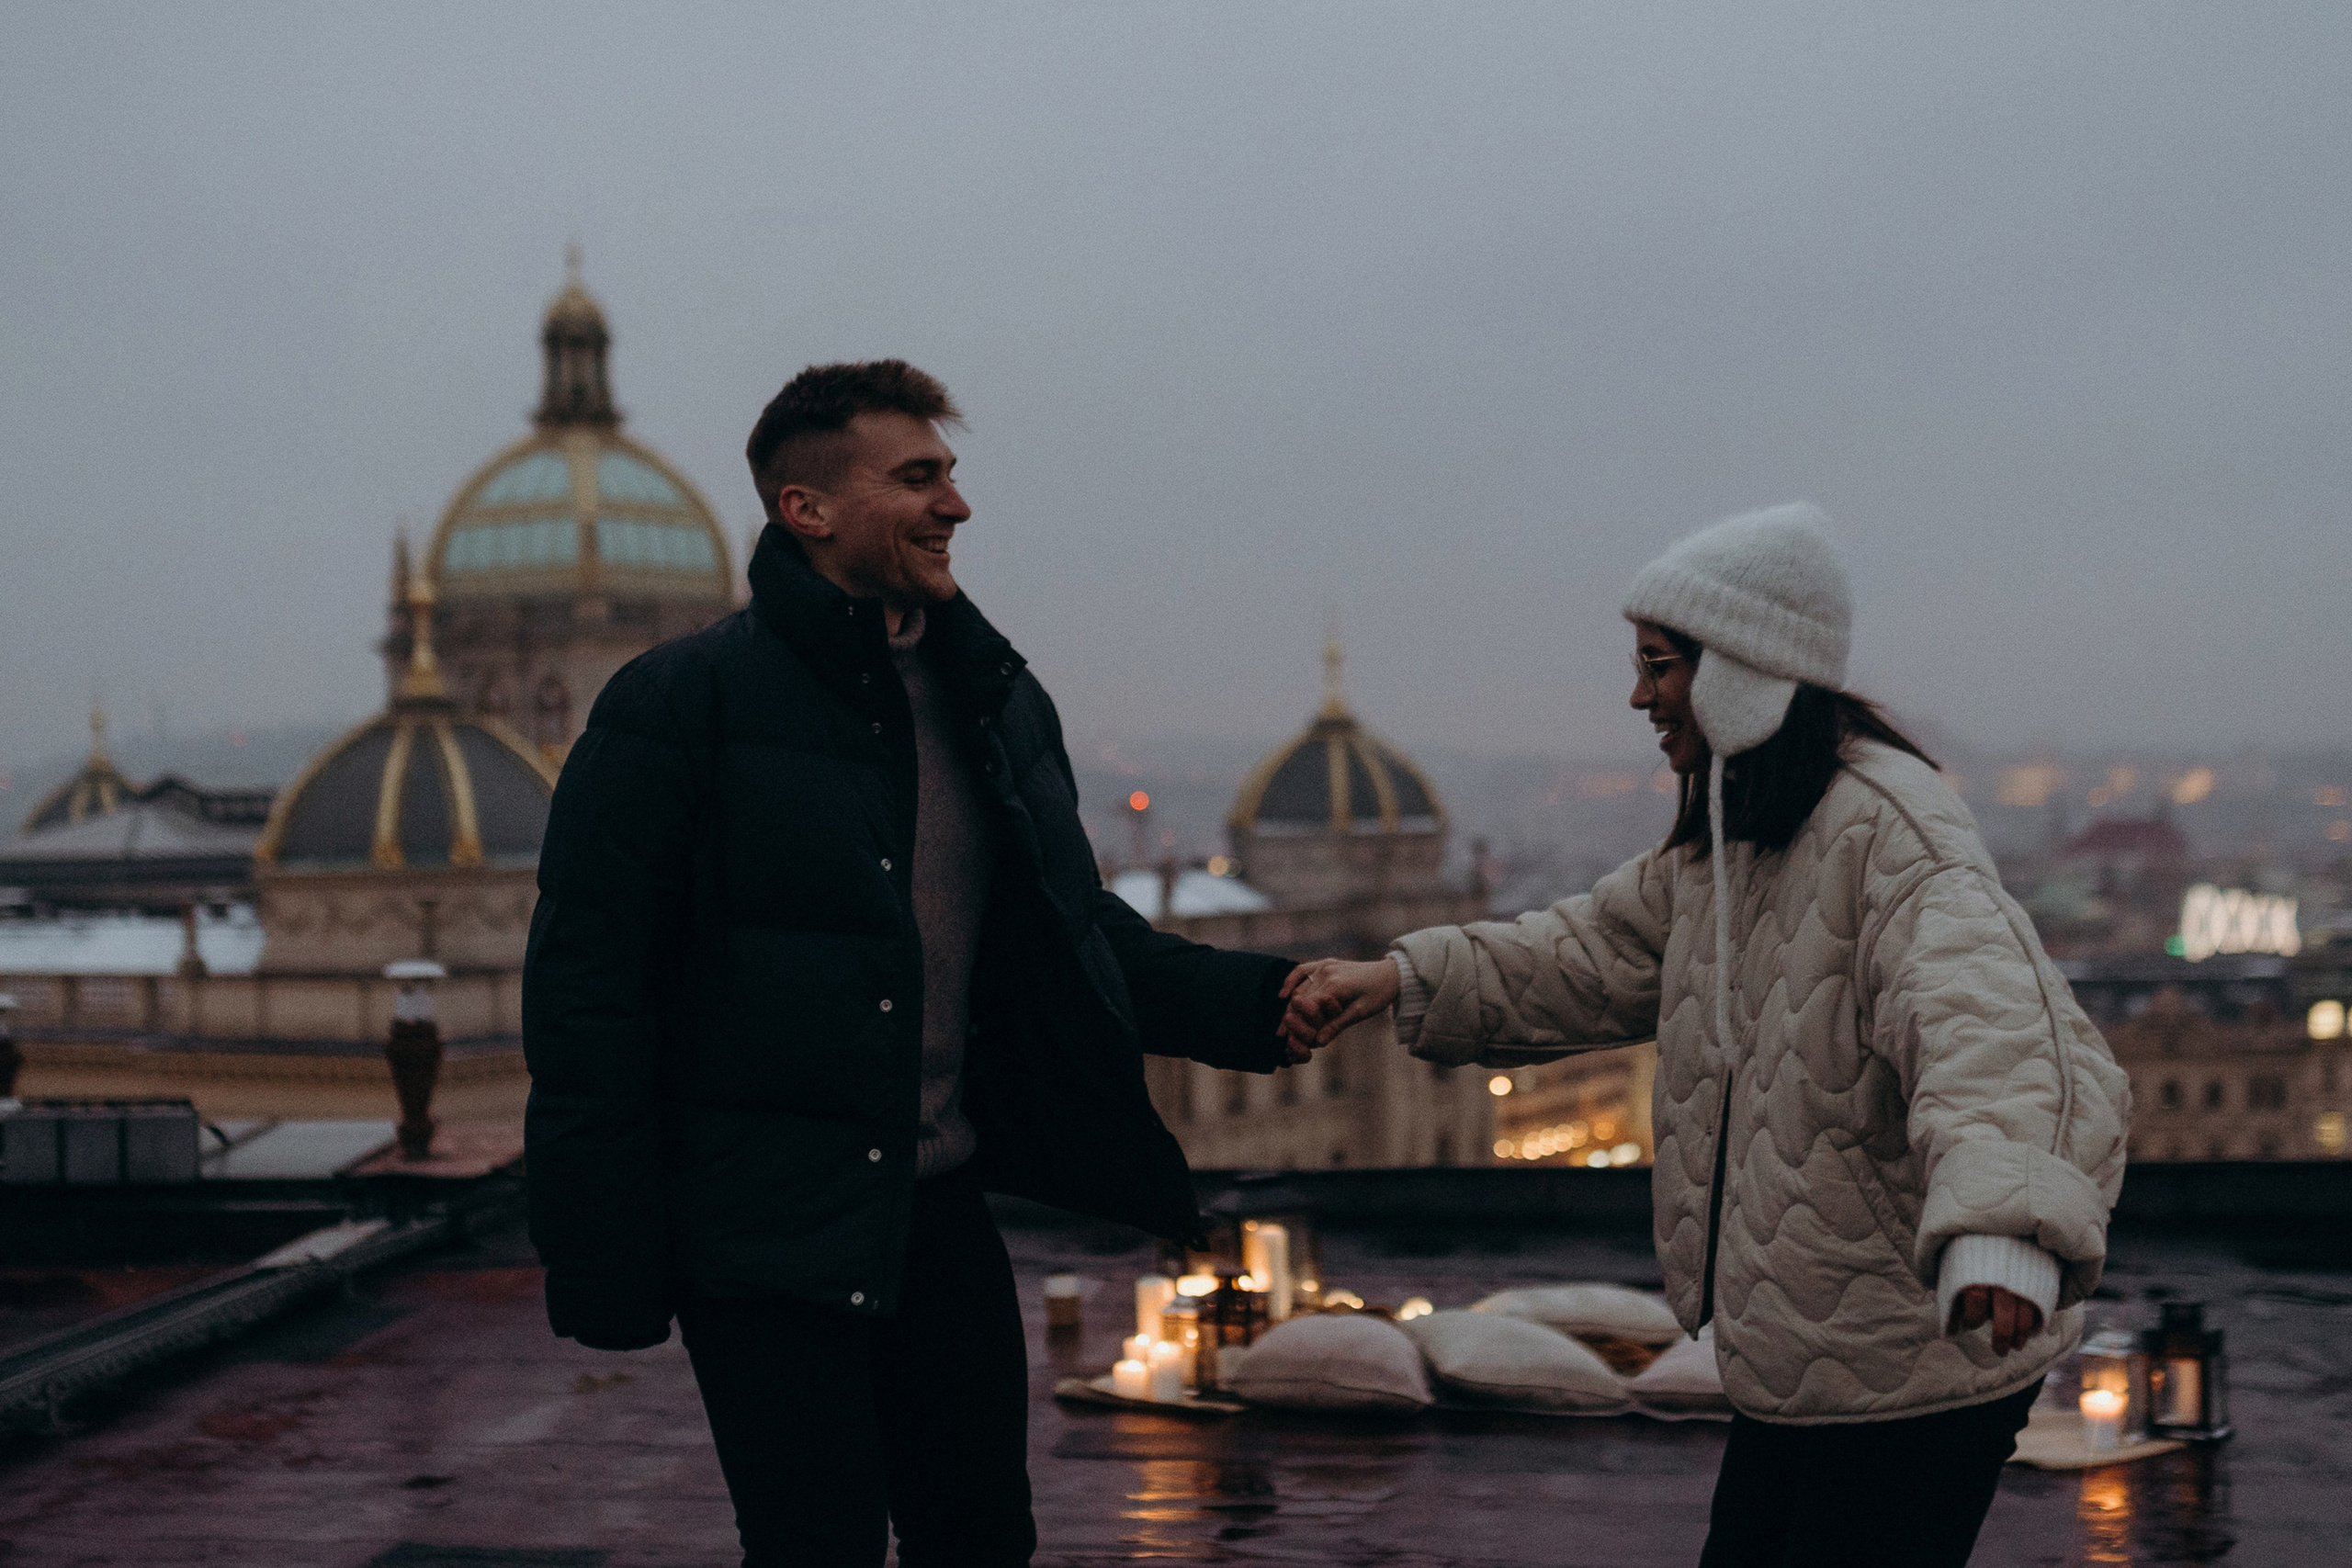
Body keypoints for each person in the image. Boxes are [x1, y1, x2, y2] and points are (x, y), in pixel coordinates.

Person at [522, 359, 1309, 1568]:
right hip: (762, 1237)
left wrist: (1266, 1001)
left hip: (936, 1209)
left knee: (983, 1533)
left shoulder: (992, 701)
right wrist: (605, 1265)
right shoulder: (676, 707)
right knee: (816, 1544)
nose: (957, 505)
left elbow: (1073, 938)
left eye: (951, 474)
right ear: (809, 509)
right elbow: (589, 1003)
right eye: (918, 476)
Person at [1284, 503, 2131, 1568]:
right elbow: (1589, 951)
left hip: (1911, 1359)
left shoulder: (1888, 830)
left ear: (1739, 669)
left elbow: (1994, 1025)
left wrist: (2004, 1229)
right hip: (1809, 1352)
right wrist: (1405, 977)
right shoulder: (1741, 831)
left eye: (1657, 665)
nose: (1637, 695)